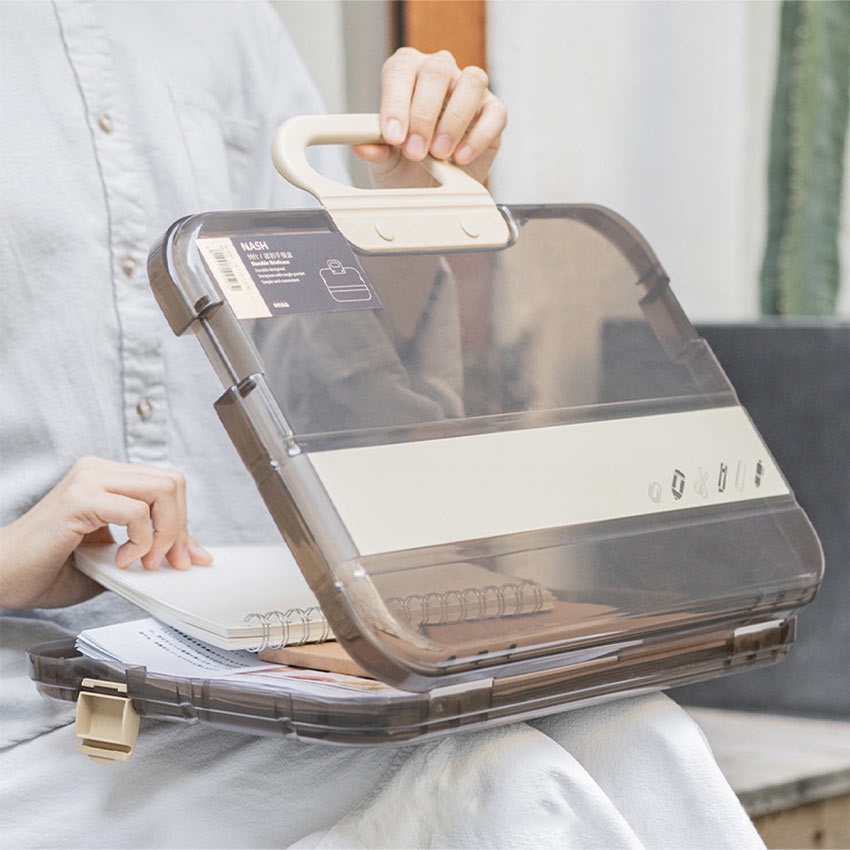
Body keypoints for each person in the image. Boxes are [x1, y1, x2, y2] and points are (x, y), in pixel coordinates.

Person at [0, 3, 764, 848]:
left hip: (271, 663)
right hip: (29, 718)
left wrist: (403, 218)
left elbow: (312, 396)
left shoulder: (226, 23)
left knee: (640, 734)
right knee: (508, 784)